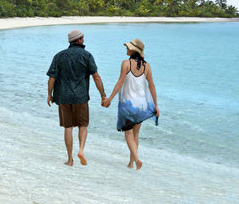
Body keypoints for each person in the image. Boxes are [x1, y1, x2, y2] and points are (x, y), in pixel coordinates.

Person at [47, 29, 107, 167]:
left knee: (68, 127)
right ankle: (81, 150)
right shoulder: (87, 56)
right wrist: (103, 95)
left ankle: (69, 159)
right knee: (83, 125)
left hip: (63, 97)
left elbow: (52, 78)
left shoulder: (59, 56)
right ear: (79, 40)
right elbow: (96, 77)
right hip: (81, 97)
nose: (83, 40)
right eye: (82, 38)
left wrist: (49, 94)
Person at [102, 38, 160, 170]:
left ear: (134, 50)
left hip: (128, 105)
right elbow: (152, 87)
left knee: (128, 134)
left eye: (128, 47)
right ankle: (131, 163)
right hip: (141, 106)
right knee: (136, 135)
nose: (126, 49)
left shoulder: (126, 63)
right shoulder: (147, 66)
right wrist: (156, 105)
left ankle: (137, 160)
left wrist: (110, 98)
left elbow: (120, 82)